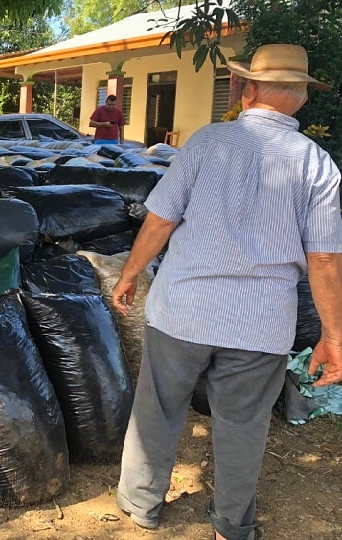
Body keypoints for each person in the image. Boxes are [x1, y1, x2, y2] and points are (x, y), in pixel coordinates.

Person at [110, 43, 342, 540]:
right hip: (262, 323)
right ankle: (232, 526)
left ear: (249, 89)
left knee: (159, 408)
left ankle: (141, 504)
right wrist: (333, 336)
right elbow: (324, 257)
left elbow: (161, 218)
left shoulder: (206, 142)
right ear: (300, 97)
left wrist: (130, 274)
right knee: (242, 425)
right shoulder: (317, 164)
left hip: (183, 311)